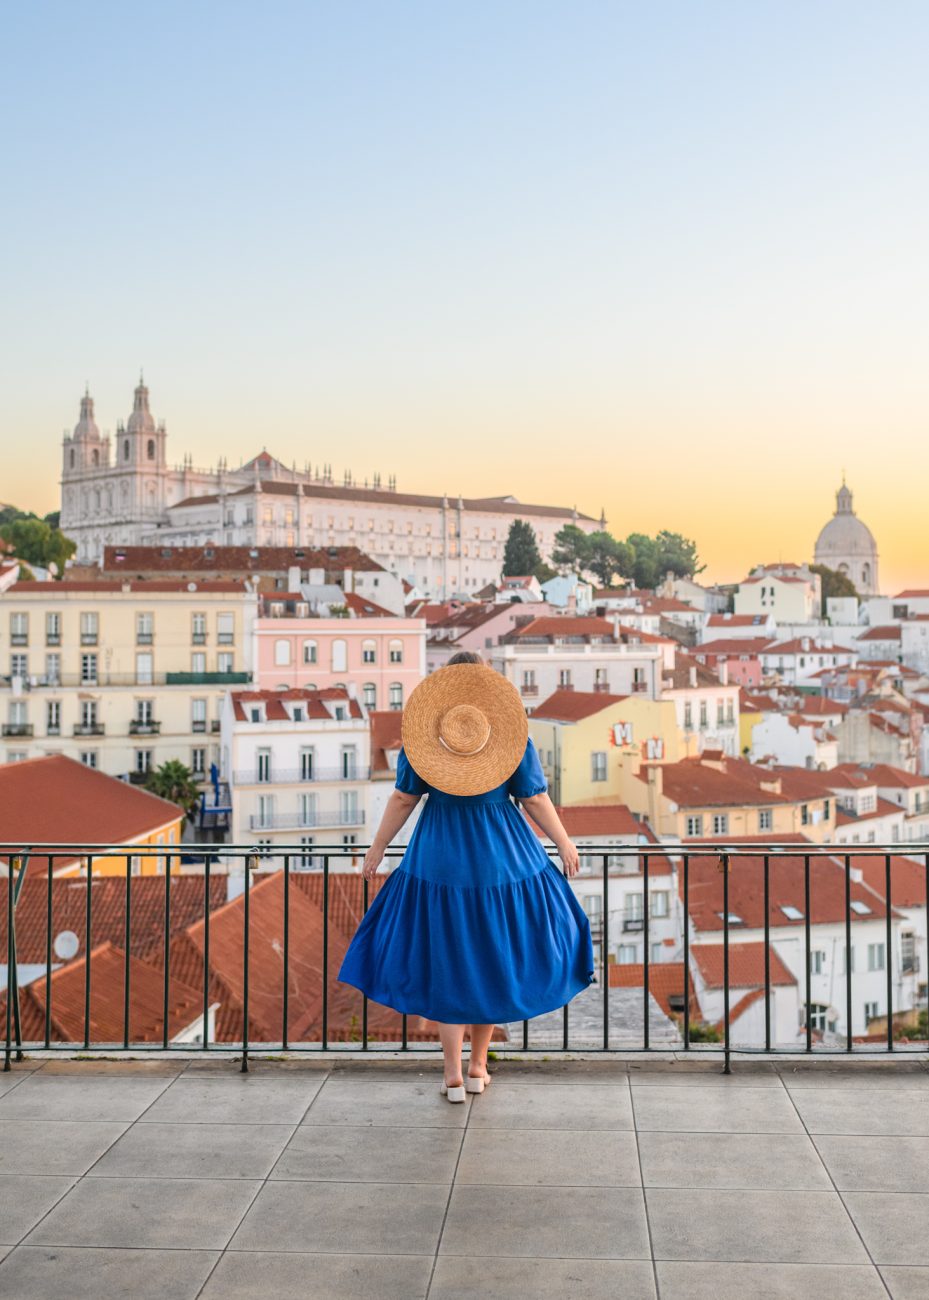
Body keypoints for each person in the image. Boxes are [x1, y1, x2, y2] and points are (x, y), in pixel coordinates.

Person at [338, 651, 594, 1101]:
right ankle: (478, 1067)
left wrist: (377, 848)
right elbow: (534, 799)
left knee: (449, 964)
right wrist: (564, 841)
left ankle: (453, 1075)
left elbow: (403, 799)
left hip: (438, 858)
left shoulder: (424, 740)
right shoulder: (511, 735)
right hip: (502, 859)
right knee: (491, 960)